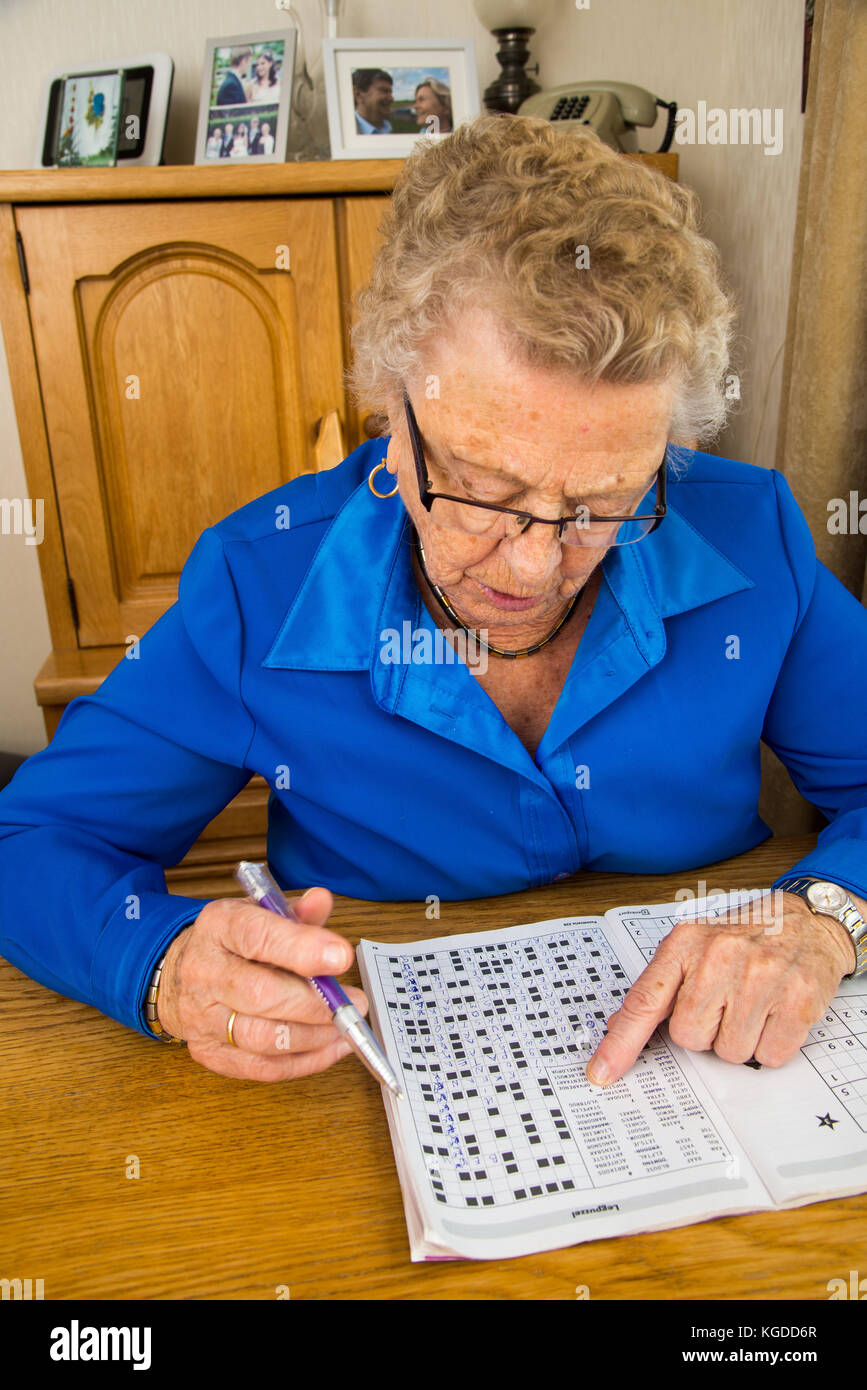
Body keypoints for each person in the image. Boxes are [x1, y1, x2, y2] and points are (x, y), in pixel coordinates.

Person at [1, 115, 865, 1092]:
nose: (537, 566)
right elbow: (32, 841)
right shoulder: (256, 584)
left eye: (604, 501)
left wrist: (829, 913)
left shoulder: (753, 532)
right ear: (388, 403)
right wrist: (160, 965)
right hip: (379, 1091)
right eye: (482, 490)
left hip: (724, 1093)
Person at [353, 68, 393, 134]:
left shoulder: (389, 129)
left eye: (390, 92)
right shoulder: (345, 134)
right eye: (384, 91)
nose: (391, 98)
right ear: (358, 94)